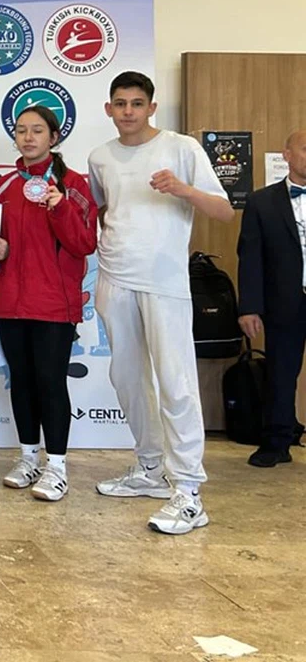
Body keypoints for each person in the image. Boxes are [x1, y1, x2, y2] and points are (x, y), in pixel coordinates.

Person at [89, 71, 234, 535]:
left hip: (164, 282)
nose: (128, 111)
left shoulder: (181, 148)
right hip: (114, 279)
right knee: (127, 378)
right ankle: (150, 469)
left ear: (151, 107)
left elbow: (224, 210)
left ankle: (189, 492)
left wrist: (183, 189)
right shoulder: (100, 157)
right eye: (120, 103)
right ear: (109, 109)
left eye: (137, 103)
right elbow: (104, 210)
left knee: (176, 382)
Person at [0, 106, 98, 501]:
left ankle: (57, 467)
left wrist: (59, 207)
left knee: (50, 382)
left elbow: (84, 244)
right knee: (22, 382)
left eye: (37, 131)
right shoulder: (2, 187)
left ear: (54, 137)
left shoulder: (73, 184)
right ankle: (28, 458)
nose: (28, 138)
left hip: (52, 304)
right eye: (21, 131)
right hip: (10, 302)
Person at [237, 129, 306, 468]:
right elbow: (250, 257)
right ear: (287, 155)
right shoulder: (261, 202)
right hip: (284, 301)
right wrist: (249, 307)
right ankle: (276, 443)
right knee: (281, 373)